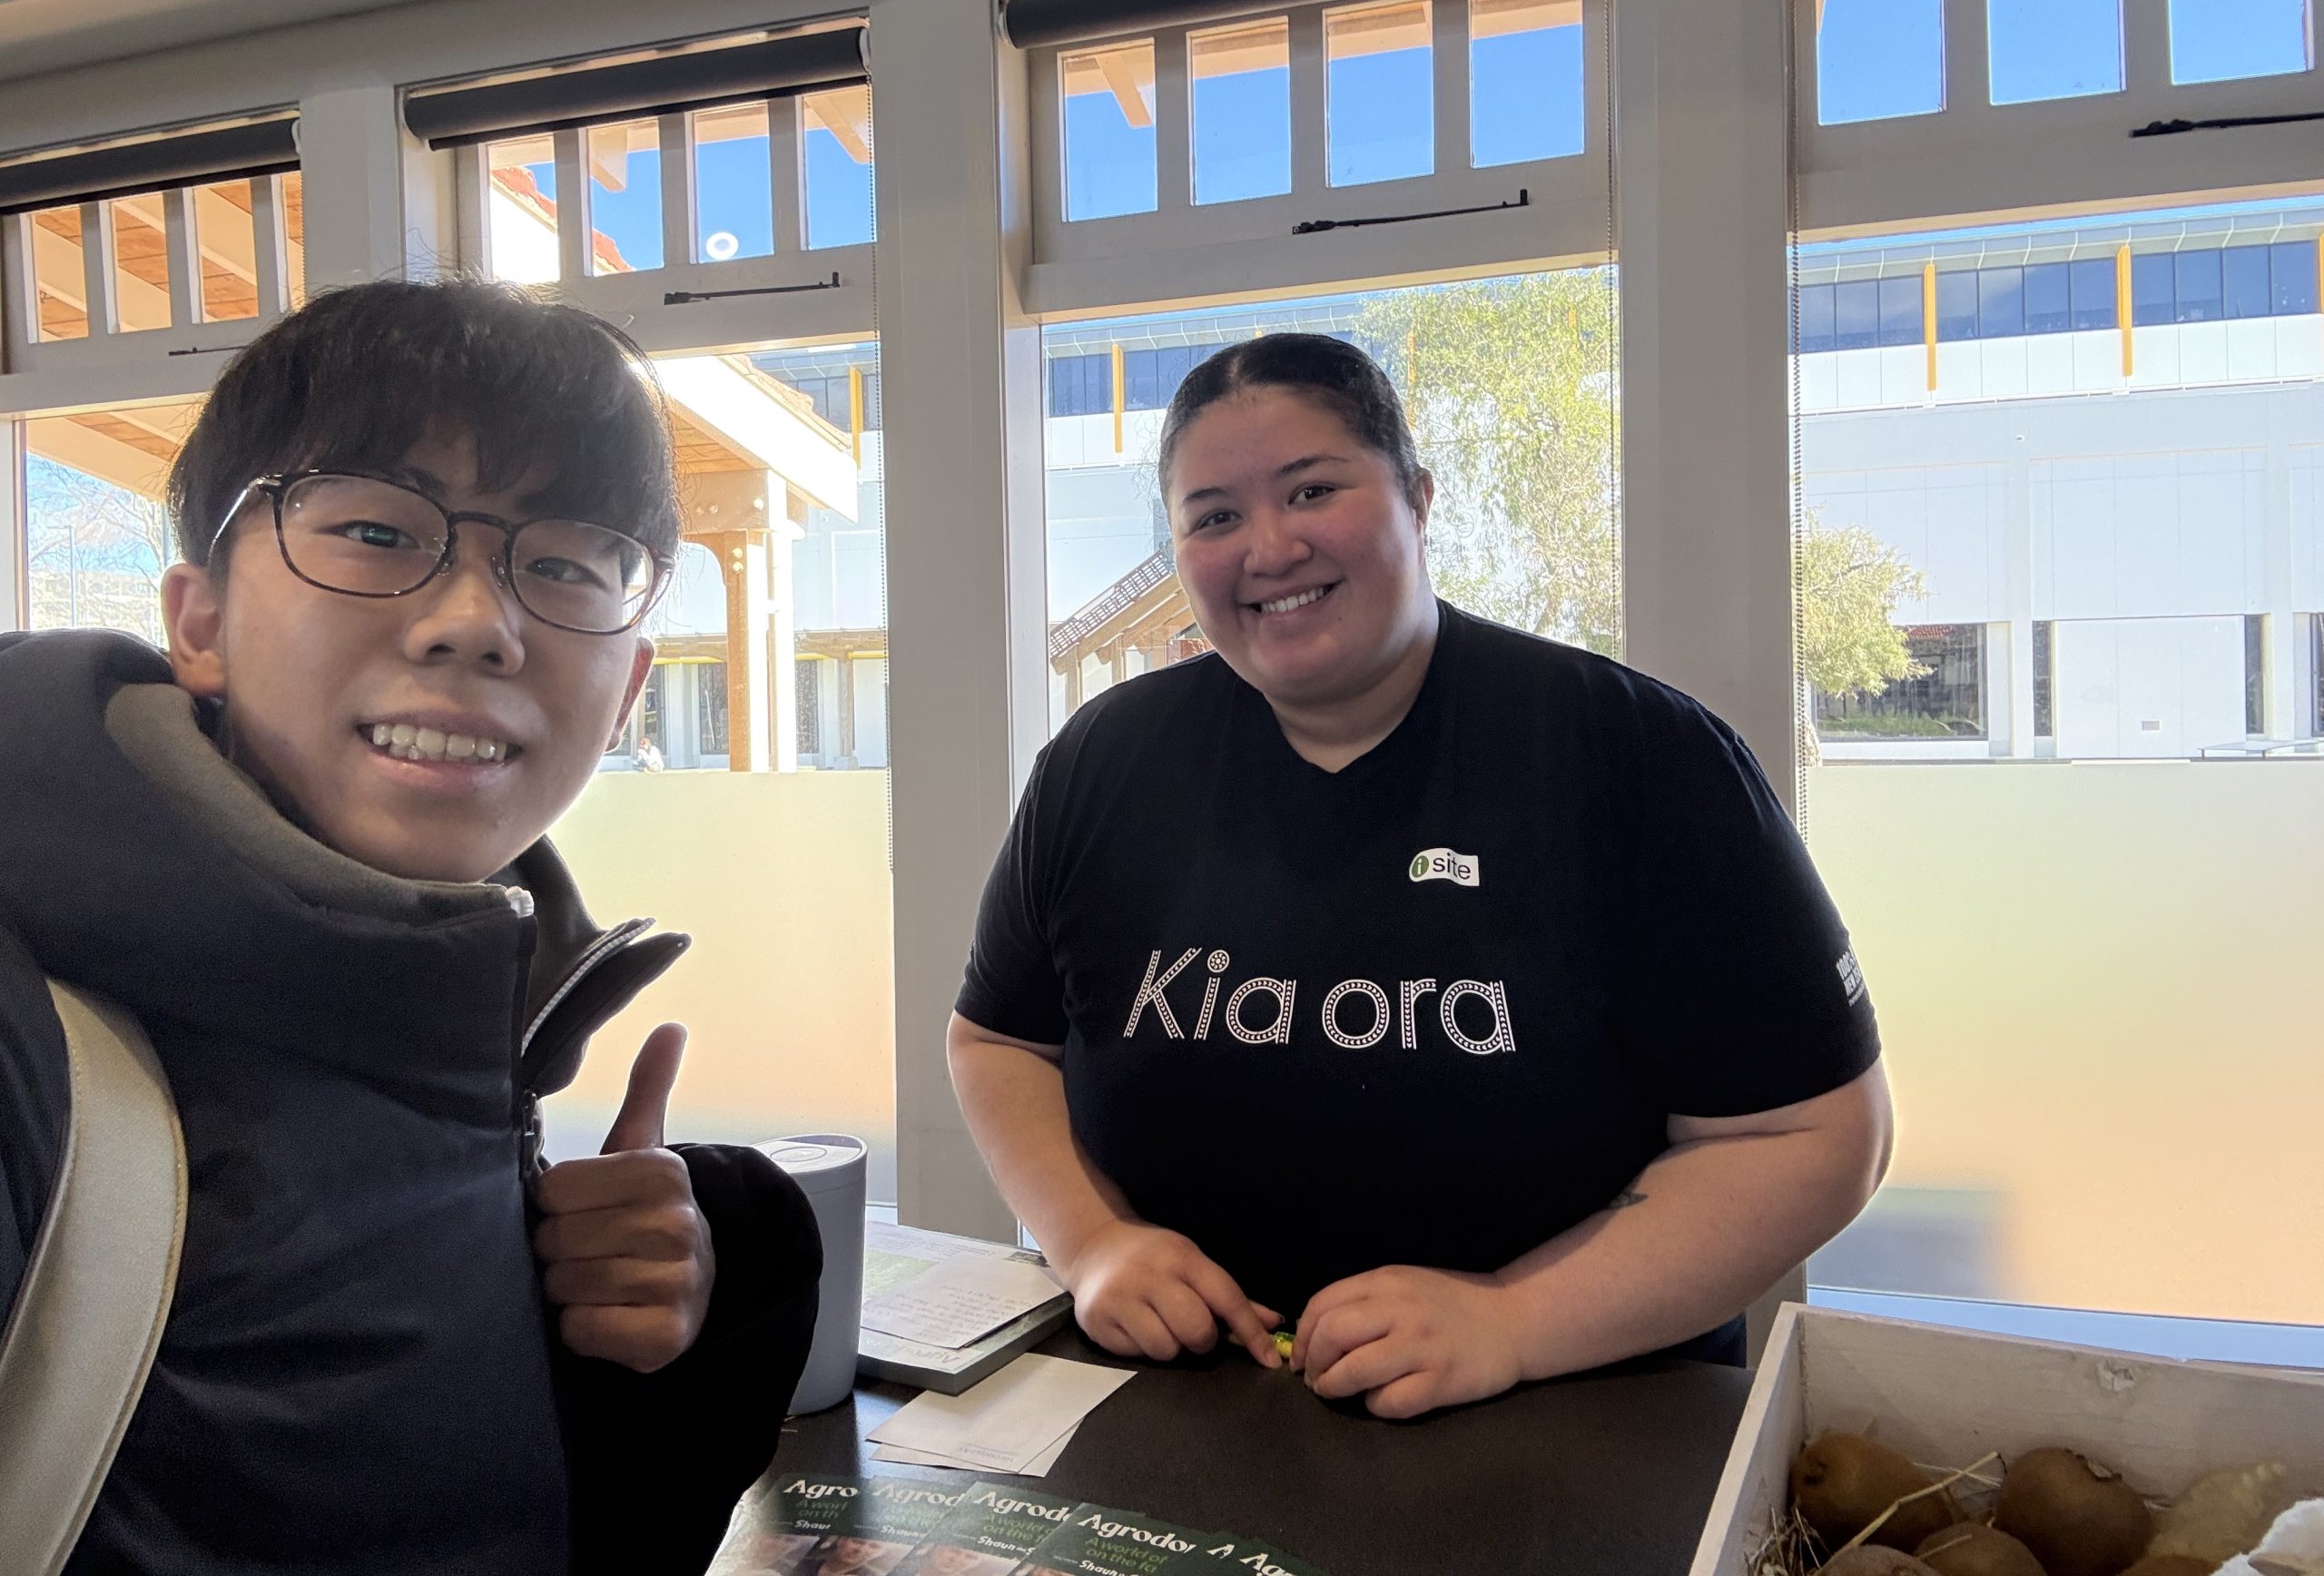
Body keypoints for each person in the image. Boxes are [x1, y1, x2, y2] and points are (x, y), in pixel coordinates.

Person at [0, 280, 822, 1572]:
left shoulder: (458, 1001)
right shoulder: (29, 1044)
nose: (475, 625)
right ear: (200, 622)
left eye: (563, 564)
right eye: (378, 532)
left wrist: (629, 1328)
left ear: (627, 694)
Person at [949, 332, 1893, 1421]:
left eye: (1312, 489)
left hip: (1571, 1418)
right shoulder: (1105, 760)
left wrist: (1513, 1320)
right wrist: (1091, 1242)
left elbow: (1814, 1137)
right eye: (1212, 517)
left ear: (1417, 497)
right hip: (1184, 1406)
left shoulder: (1636, 756)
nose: (1269, 546)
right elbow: (999, 1043)